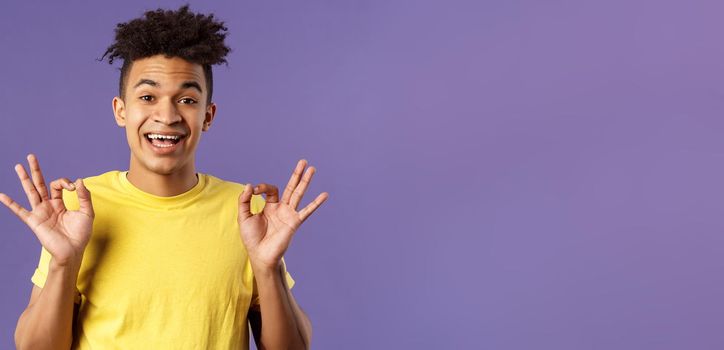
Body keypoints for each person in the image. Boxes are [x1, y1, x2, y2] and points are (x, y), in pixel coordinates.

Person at [0, 5, 327, 349]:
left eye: (186, 99)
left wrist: (268, 267)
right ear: (121, 110)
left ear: (208, 115)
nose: (167, 115)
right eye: (147, 97)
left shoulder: (248, 213)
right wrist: (64, 264)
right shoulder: (76, 209)